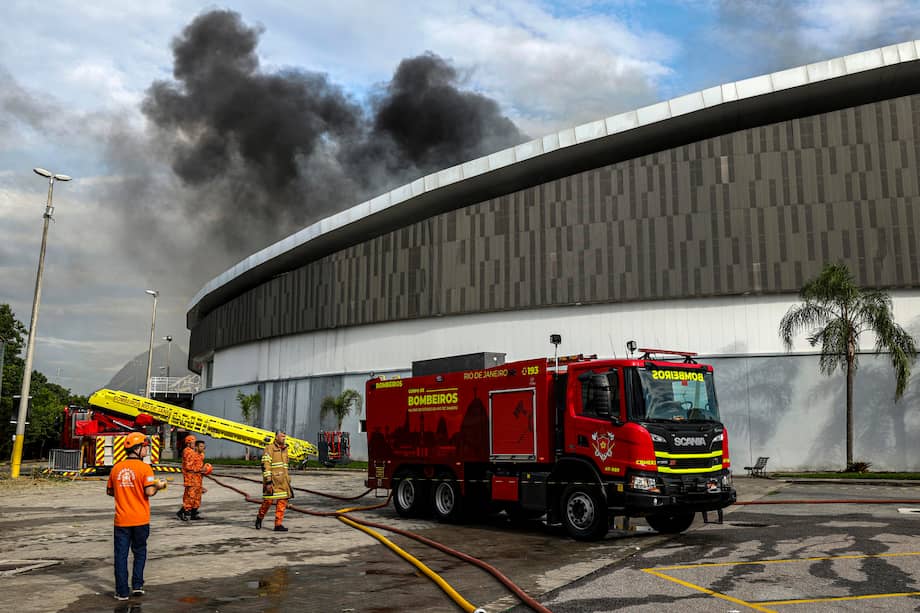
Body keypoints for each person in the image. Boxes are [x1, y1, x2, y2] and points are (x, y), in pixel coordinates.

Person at [106, 431, 167, 601]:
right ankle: (138, 585)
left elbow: (110, 492)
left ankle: (122, 591)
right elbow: (149, 491)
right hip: (140, 519)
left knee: (121, 555)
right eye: (145, 447)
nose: (147, 450)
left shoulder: (116, 468)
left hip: (121, 520)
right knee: (139, 552)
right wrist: (159, 485)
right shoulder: (145, 468)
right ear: (137, 448)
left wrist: (125, 491)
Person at [255, 430, 292, 532]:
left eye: (285, 437)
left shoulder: (285, 449)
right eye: (281, 436)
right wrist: (268, 481)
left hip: (283, 482)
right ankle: (259, 517)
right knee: (268, 501)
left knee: (282, 502)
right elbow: (265, 465)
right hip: (272, 481)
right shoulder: (269, 448)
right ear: (276, 437)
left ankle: (278, 524)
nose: (283, 438)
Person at [177, 435, 204, 521]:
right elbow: (188, 466)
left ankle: (193, 513)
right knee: (190, 496)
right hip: (191, 478)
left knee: (197, 496)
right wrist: (201, 469)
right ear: (188, 443)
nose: (194, 444)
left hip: (197, 477)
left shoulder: (194, 452)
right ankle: (183, 512)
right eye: (193, 443)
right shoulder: (188, 452)